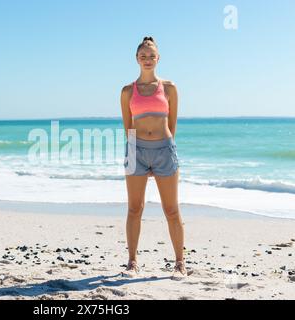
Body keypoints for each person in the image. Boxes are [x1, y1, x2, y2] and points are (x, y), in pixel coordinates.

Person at [120, 36, 188, 280]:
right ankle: (132, 262)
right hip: (136, 151)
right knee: (134, 209)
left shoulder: (169, 88)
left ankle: (180, 264)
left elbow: (172, 124)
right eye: (143, 56)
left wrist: (162, 148)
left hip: (163, 151)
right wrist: (134, 155)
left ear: (158, 59)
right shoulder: (128, 91)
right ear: (136, 59)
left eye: (151, 56)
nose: (147, 60)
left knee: (171, 209)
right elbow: (128, 127)